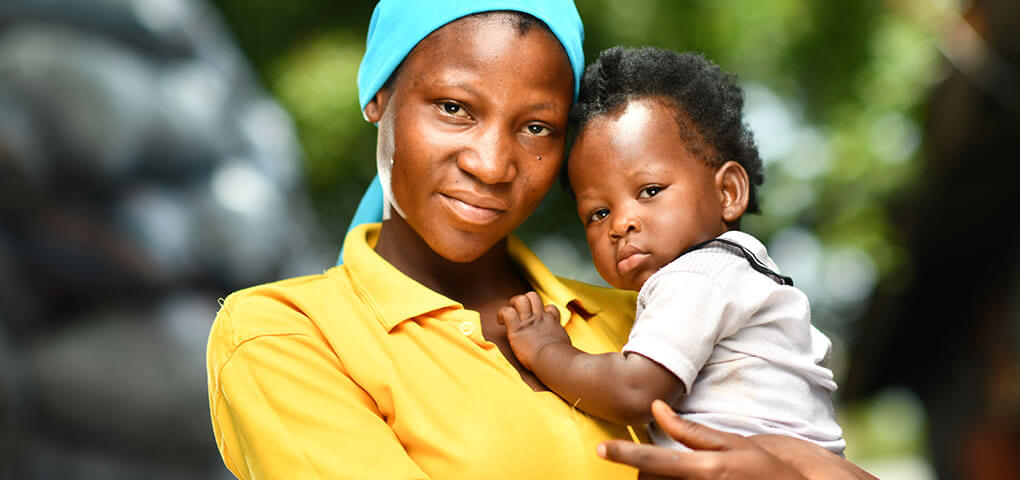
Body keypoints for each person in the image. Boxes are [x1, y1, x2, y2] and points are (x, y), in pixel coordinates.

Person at [206, 1, 874, 478]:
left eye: (536, 128)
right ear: (378, 96)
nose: (491, 165)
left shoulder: (640, 314)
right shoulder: (287, 336)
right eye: (454, 109)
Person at [497, 47, 846, 455]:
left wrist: (547, 351)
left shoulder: (697, 277)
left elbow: (634, 390)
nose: (620, 224)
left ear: (728, 192)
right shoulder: (736, 271)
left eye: (650, 191)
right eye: (598, 212)